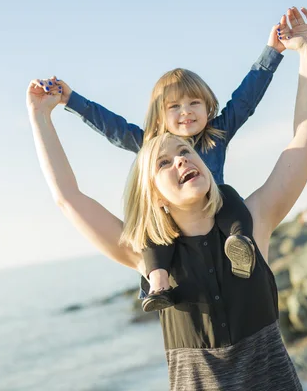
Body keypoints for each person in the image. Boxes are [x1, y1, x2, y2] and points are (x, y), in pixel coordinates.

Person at [27, 6, 307, 390]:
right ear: (153, 193)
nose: (181, 159)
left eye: (186, 153)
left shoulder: (252, 223)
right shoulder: (146, 255)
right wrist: (42, 117)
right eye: (164, 161)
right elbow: (68, 198)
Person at [37, 19, 288, 311]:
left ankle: (240, 245)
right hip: (176, 222)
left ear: (208, 107)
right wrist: (71, 99)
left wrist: (273, 51)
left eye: (194, 103)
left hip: (216, 214)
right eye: (174, 107)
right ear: (159, 117)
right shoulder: (150, 145)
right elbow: (113, 128)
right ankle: (158, 284)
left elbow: (245, 98)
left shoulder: (216, 135)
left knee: (231, 200)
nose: (186, 112)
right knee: (154, 235)